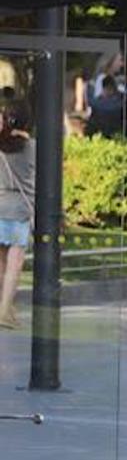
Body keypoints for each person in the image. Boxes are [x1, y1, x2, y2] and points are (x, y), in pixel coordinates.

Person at [0, 103, 34, 330]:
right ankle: (4, 311)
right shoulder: (32, 147)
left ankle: (4, 308)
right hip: (20, 211)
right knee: (14, 263)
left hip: (0, 206)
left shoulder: (1, 146)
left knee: (1, 262)